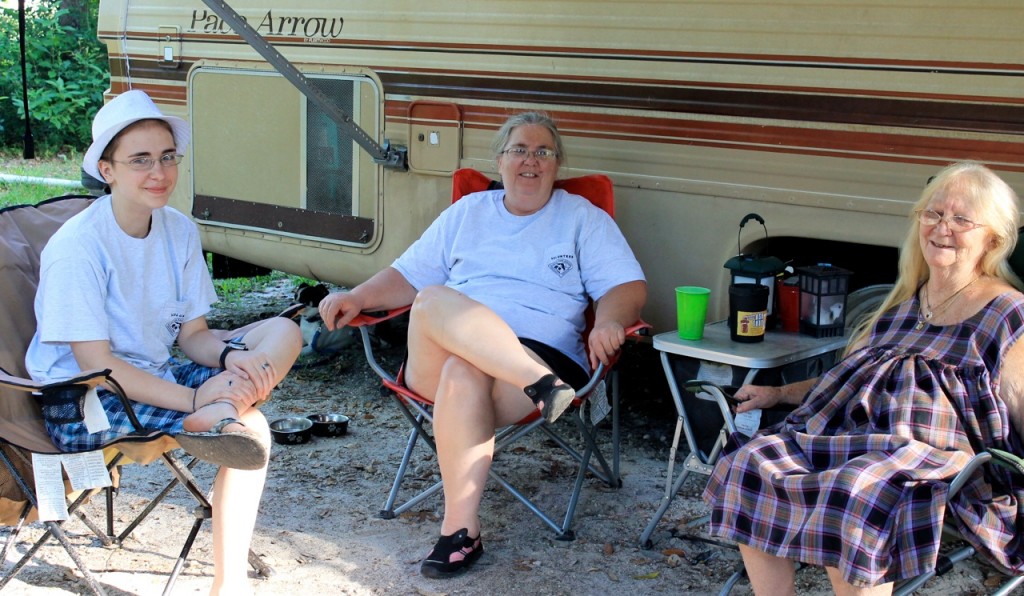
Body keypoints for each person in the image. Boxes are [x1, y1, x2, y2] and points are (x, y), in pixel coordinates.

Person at [319, 111, 647, 578]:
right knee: (432, 300)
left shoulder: (580, 218)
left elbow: (625, 286)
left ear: (557, 164)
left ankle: (460, 533)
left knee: (462, 370)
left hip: (536, 354)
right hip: (497, 368)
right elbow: (408, 277)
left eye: (543, 152)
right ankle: (541, 385)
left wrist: (609, 321)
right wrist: (356, 297)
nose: (530, 161)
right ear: (499, 160)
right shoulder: (469, 213)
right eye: (519, 150)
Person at [25, 90, 302, 596]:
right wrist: (196, 397)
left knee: (284, 331)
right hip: (87, 400)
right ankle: (229, 584)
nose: (159, 172)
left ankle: (222, 409)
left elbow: (192, 335)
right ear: (106, 170)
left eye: (168, 157)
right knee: (253, 429)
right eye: (140, 160)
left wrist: (230, 358)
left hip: (156, 376)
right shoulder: (79, 248)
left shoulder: (177, 229)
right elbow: (97, 365)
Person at [704, 161, 1024, 595]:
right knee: (751, 462)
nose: (942, 227)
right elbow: (845, 381)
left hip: (931, 461)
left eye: (961, 218)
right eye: (933, 213)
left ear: (994, 238)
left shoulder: (1007, 315)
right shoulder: (902, 308)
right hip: (851, 440)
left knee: (856, 492)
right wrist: (776, 392)